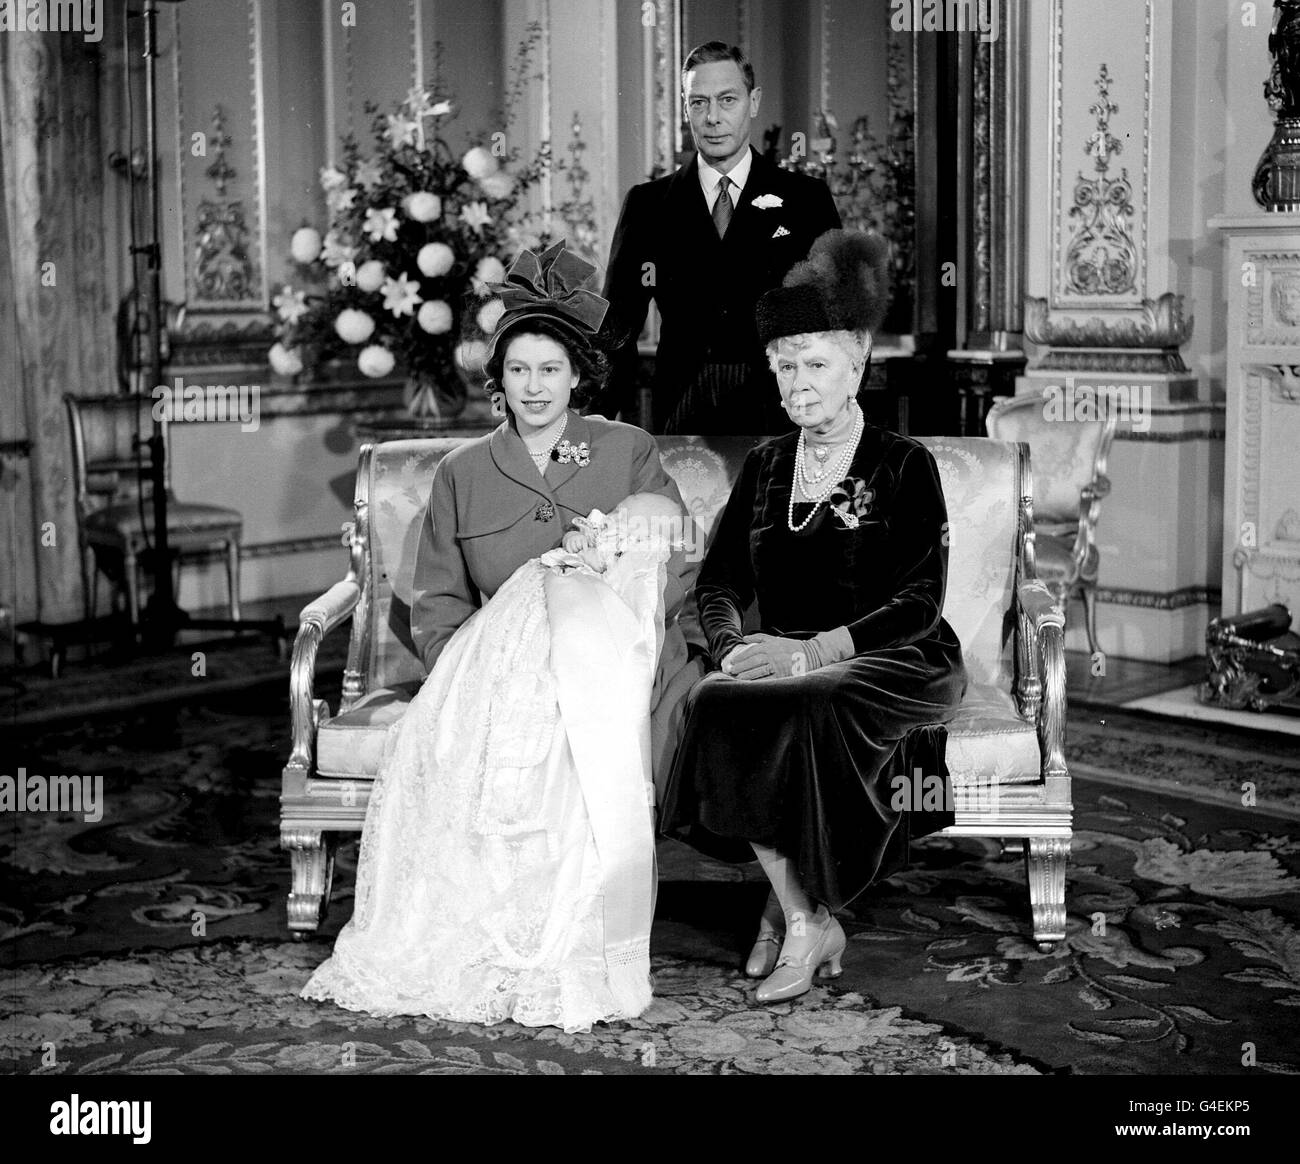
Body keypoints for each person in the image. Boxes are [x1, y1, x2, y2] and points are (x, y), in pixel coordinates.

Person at [301, 242, 702, 1032]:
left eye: (551, 370)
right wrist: (471, 672)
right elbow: (436, 599)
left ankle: (572, 944)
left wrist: (609, 576)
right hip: (500, 659)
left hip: (611, 655)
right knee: (500, 723)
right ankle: (495, 938)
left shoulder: (625, 449)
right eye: (519, 371)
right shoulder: (463, 472)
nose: (535, 387)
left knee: (580, 722)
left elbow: (676, 561)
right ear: (500, 380)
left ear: (578, 375)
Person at [659, 230, 968, 1003]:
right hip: (786, 653)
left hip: (901, 656)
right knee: (718, 702)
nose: (797, 383)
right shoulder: (765, 466)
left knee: (812, 701)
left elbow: (920, 604)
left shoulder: (903, 464)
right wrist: (731, 650)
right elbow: (720, 581)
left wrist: (812, 653)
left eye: (816, 364)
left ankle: (794, 911)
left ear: (857, 363)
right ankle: (805, 914)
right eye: (785, 366)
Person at [601, 40, 842, 435]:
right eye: (698, 103)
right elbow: (617, 325)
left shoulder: (806, 199)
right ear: (685, 109)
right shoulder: (648, 204)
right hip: (682, 409)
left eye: (727, 100)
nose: (712, 117)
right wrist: (601, 418)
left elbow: (835, 317)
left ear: (754, 101)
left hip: (783, 409)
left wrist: (829, 413)